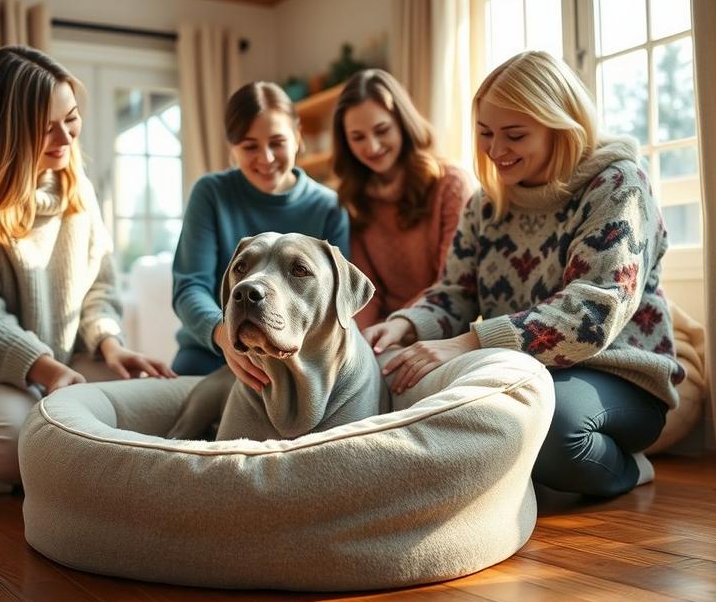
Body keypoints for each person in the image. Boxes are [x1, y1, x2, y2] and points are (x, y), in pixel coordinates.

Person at [364, 51, 685, 497]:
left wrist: (469, 342)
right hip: (526, 371)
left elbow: (591, 313)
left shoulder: (618, 185)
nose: (495, 151)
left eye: (514, 135)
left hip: (620, 376)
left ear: (561, 128)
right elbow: (457, 292)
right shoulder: (484, 205)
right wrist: (404, 324)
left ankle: (630, 469)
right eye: (485, 134)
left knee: (553, 433)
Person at [0, 46, 174, 494]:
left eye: (72, 119)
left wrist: (111, 345)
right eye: (46, 129)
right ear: (4, 132)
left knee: (145, 409)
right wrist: (50, 375)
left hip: (50, 359)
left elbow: (98, 285)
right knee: (22, 442)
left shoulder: (75, 184)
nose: (66, 138)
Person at [171, 81, 349, 392]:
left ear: (297, 135)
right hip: (212, 354)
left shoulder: (328, 207)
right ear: (232, 148)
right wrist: (223, 335)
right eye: (250, 146)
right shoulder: (211, 194)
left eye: (277, 142)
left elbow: (338, 298)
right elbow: (190, 286)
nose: (266, 158)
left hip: (299, 363)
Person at [332, 69, 470, 329]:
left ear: (403, 124)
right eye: (357, 137)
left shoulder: (450, 185)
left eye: (382, 130)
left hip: (440, 324)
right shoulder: (353, 200)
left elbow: (450, 284)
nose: (372, 147)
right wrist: (355, 343)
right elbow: (366, 294)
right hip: (383, 334)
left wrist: (400, 325)